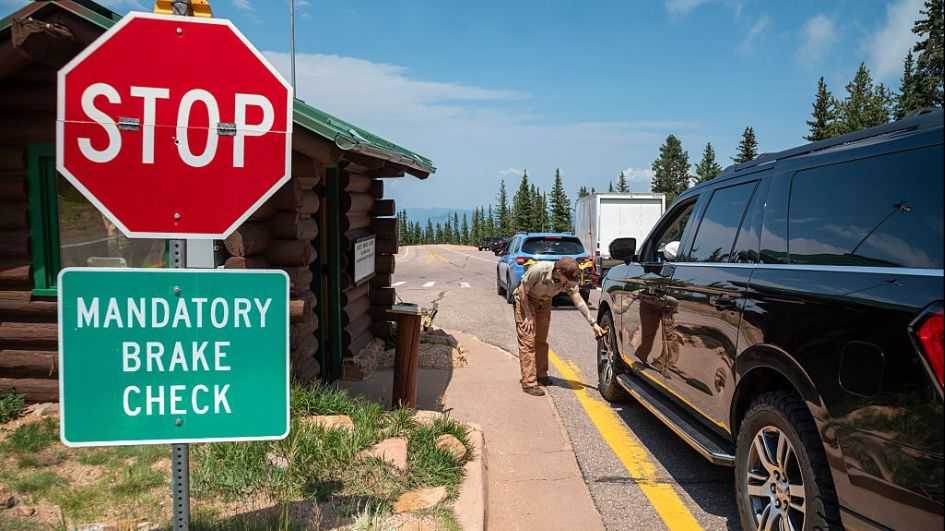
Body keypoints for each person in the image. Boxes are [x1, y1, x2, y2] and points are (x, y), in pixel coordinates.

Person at [514, 257, 606, 396]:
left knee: (541, 340)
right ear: (558, 271)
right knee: (528, 341)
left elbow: (578, 300)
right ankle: (529, 383)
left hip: (544, 302)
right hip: (526, 301)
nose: (568, 282)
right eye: (567, 279)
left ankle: (541, 375)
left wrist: (593, 323)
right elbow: (522, 290)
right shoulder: (539, 270)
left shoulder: (568, 279)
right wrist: (528, 315)